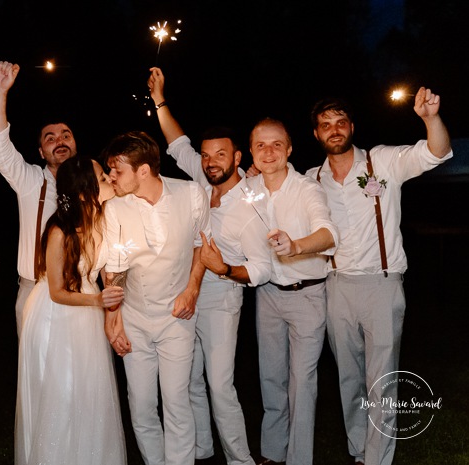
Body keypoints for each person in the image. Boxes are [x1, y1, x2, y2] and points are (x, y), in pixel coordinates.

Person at [306, 88, 452, 465]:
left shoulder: (382, 161)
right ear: (317, 135)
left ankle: (378, 458)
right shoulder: (309, 180)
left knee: (382, 380)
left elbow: (435, 152)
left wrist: (430, 118)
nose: (334, 130)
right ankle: (358, 449)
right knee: (349, 379)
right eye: (325, 125)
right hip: (336, 286)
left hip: (382, 284)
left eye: (340, 123)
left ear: (352, 127)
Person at [147, 67, 271, 465]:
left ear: (238, 157)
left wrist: (224, 269)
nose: (211, 161)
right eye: (206, 155)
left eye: (221, 154)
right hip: (185, 296)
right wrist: (159, 99)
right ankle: (200, 452)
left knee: (219, 385)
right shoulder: (199, 183)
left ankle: (240, 460)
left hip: (220, 300)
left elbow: (261, 269)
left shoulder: (251, 205)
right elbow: (176, 140)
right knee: (189, 382)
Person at [102, 131, 212, 465]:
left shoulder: (191, 193)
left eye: (116, 171)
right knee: (141, 404)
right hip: (135, 317)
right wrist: (113, 321)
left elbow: (201, 245)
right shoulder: (114, 209)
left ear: (143, 170)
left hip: (177, 318)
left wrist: (192, 289)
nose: (110, 178)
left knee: (177, 400)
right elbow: (114, 271)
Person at [15, 157, 127, 465]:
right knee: (61, 395)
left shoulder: (103, 217)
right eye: (103, 178)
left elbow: (108, 267)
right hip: (56, 316)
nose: (110, 179)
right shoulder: (59, 231)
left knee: (90, 394)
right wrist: (98, 302)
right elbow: (56, 292)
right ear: (82, 192)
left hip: (88, 313)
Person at [245, 118, 338, 465]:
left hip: (308, 296)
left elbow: (328, 234)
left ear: (290, 149)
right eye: (261, 145)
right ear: (252, 150)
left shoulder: (307, 189)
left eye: (276, 144)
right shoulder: (250, 188)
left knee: (302, 383)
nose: (269, 152)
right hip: (267, 295)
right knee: (271, 376)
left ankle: (300, 458)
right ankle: (272, 452)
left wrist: (296, 245)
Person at [0, 60, 78, 336]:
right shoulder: (30, 180)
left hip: (79, 290)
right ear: (40, 152)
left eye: (66, 135)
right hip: (35, 289)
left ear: (75, 143)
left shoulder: (95, 183)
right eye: (50, 138)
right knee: (35, 374)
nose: (59, 141)